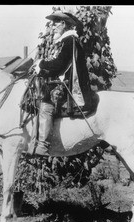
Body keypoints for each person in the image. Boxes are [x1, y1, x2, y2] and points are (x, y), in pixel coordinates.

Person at [28, 11, 95, 157]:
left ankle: (42, 146)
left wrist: (42, 63)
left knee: (46, 105)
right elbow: (60, 68)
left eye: (56, 22)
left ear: (64, 24)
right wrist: (41, 71)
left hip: (71, 86)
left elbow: (59, 65)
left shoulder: (69, 41)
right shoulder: (67, 41)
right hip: (65, 81)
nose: (53, 26)